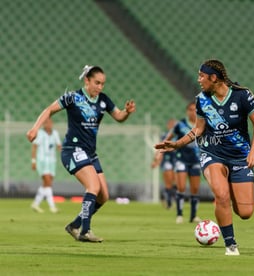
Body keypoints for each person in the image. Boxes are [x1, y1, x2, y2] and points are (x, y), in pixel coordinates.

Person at [156, 59, 254, 256]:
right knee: (221, 196)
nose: (199, 80)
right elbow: (198, 129)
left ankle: (228, 197)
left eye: (201, 76)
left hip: (240, 156)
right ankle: (231, 245)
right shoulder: (202, 99)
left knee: (245, 213)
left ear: (214, 78)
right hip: (212, 153)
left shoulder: (242, 95)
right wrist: (177, 144)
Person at [26, 65, 136, 242]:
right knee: (93, 187)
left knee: (104, 196)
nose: (100, 87)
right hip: (73, 150)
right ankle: (85, 230)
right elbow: (49, 110)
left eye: (102, 84)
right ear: (87, 80)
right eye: (97, 83)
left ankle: (74, 225)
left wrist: (127, 113)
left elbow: (118, 117)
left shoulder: (103, 100)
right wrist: (35, 129)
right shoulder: (73, 97)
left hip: (91, 153)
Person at [162, 103, 202, 224]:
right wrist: (165, 145)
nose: (192, 112)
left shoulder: (201, 125)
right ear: (187, 111)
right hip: (181, 159)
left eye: (195, 110)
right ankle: (179, 214)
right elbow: (169, 136)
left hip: (196, 160)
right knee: (181, 187)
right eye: (190, 110)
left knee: (195, 189)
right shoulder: (180, 125)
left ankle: (193, 216)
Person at [30, 118, 62, 213]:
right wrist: (33, 161)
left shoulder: (55, 133)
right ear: (43, 124)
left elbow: (59, 146)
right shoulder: (40, 133)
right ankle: (52, 207)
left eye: (50, 122)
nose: (48, 124)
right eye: (46, 123)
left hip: (52, 161)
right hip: (42, 161)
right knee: (48, 182)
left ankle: (35, 204)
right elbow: (34, 147)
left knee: (46, 184)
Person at [151, 118, 177, 210]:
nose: (172, 126)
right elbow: (160, 149)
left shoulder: (179, 135)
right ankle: (169, 202)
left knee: (175, 183)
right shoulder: (164, 136)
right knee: (168, 183)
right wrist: (156, 161)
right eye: (171, 124)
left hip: (177, 160)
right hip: (167, 160)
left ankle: (170, 198)